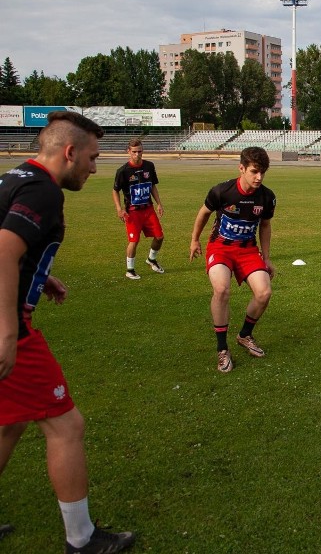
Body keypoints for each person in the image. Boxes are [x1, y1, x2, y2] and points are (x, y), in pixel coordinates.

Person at [0, 111, 135, 552]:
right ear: (70, 152)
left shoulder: (13, 177)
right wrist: (6, 329)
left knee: (10, 424)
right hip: (9, 329)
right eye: (93, 158)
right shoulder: (43, 191)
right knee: (65, 425)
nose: (96, 168)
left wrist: (37, 273)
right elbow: (3, 249)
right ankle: (82, 539)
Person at [190, 147, 277, 373]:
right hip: (221, 248)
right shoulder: (222, 191)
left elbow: (265, 225)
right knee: (221, 290)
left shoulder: (267, 197)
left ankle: (244, 335)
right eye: (254, 171)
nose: (259, 177)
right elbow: (203, 214)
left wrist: (266, 258)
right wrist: (194, 240)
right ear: (241, 168)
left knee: (264, 292)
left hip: (248, 251)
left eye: (263, 172)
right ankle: (222, 349)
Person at [112, 138, 165, 279]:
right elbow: (115, 190)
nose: (137, 154)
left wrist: (159, 203)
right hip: (132, 212)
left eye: (140, 151)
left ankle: (151, 259)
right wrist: (119, 209)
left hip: (148, 209)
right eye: (134, 152)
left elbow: (153, 185)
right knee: (134, 241)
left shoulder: (149, 166)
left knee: (159, 237)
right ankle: (130, 270)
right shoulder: (123, 171)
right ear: (128, 151)